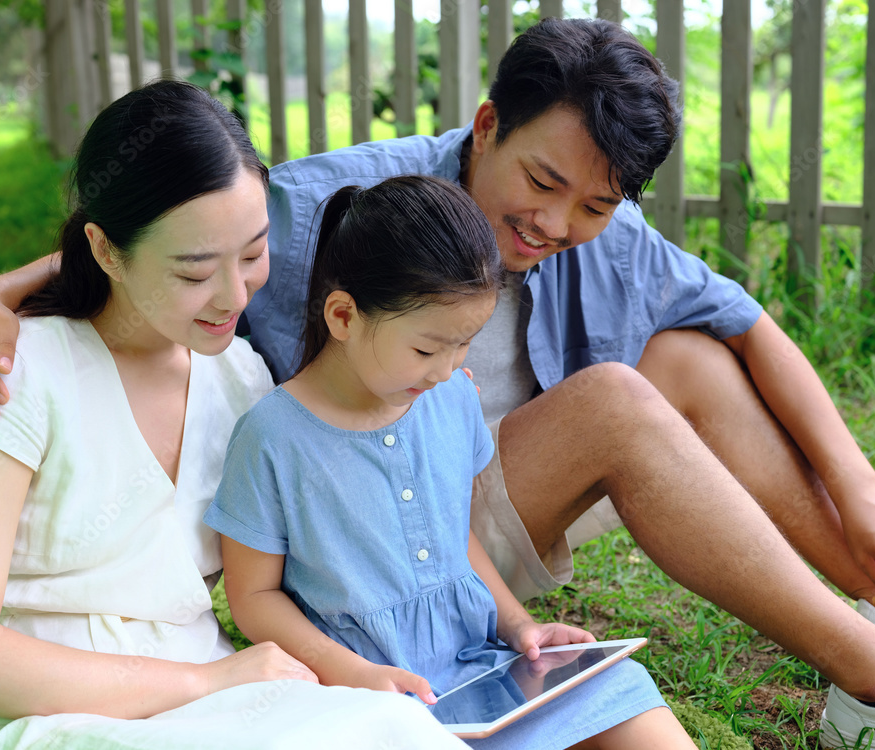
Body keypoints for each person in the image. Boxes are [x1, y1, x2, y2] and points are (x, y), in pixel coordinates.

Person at [0, 16, 875, 742]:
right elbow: (169, 228)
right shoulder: (342, 212)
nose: (555, 223)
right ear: (488, 124)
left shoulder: (598, 231)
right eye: (541, 185)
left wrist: (857, 488)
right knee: (620, 403)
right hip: (349, 546)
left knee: (688, 357)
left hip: (447, 517)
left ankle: (864, 608)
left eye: (592, 204)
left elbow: (746, 319)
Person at [0, 80, 472, 750]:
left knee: (398, 730)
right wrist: (203, 684)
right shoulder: (15, 371)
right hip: (47, 716)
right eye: (194, 272)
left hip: (223, 694)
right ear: (107, 250)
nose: (234, 294)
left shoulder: (239, 378)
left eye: (254, 253)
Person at [205, 174, 696, 750]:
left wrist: (519, 627)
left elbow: (455, 537)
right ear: (343, 317)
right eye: (425, 348)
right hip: (358, 696)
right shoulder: (272, 438)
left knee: (623, 689)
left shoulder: (449, 397)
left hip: (477, 670)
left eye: (463, 344)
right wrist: (356, 675)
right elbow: (252, 598)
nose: (446, 370)